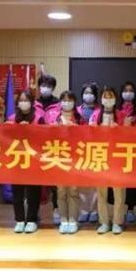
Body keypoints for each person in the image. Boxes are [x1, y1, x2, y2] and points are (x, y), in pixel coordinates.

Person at [6, 90, 44, 234]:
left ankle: (32, 219)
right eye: (21, 100)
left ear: (32, 102)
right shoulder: (11, 118)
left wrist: (30, 130)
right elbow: (4, 136)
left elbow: (45, 136)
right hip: (17, 159)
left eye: (26, 100)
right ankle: (19, 220)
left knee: (33, 191)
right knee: (17, 191)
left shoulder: (39, 118)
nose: (23, 103)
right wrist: (14, 128)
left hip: (34, 159)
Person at [90, 87, 126, 235]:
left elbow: (130, 135)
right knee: (101, 193)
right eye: (105, 96)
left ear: (116, 99)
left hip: (118, 157)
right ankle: (104, 222)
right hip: (101, 156)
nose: (108, 99)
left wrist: (120, 129)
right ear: (101, 99)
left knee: (119, 193)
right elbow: (88, 135)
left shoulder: (121, 115)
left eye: (111, 96)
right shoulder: (95, 114)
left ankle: (117, 222)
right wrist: (93, 129)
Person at [34, 74, 62, 225]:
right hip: (36, 149)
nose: (45, 88)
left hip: (54, 147)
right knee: (37, 181)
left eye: (49, 86)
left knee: (55, 181)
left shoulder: (59, 105)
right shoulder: (33, 104)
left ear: (53, 88)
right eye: (43, 85)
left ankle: (57, 210)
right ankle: (35, 211)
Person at [55, 90, 83, 234]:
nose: (67, 103)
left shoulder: (79, 118)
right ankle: (63, 220)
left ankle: (73, 220)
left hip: (75, 158)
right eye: (64, 100)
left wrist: (76, 129)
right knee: (61, 191)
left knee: (73, 190)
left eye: (69, 100)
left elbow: (87, 135)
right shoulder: (55, 117)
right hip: (59, 157)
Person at [77, 82, 101, 224]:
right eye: (86, 93)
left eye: (91, 93)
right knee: (82, 182)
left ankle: (94, 211)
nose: (88, 95)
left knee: (96, 183)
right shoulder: (77, 110)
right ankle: (84, 210)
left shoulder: (100, 111)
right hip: (81, 149)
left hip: (97, 149)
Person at [117, 81, 136, 224]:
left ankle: (131, 209)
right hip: (119, 148)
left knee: (132, 180)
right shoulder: (116, 109)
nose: (128, 93)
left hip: (134, 148)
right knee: (119, 180)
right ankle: (119, 209)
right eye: (125, 90)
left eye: (131, 90)